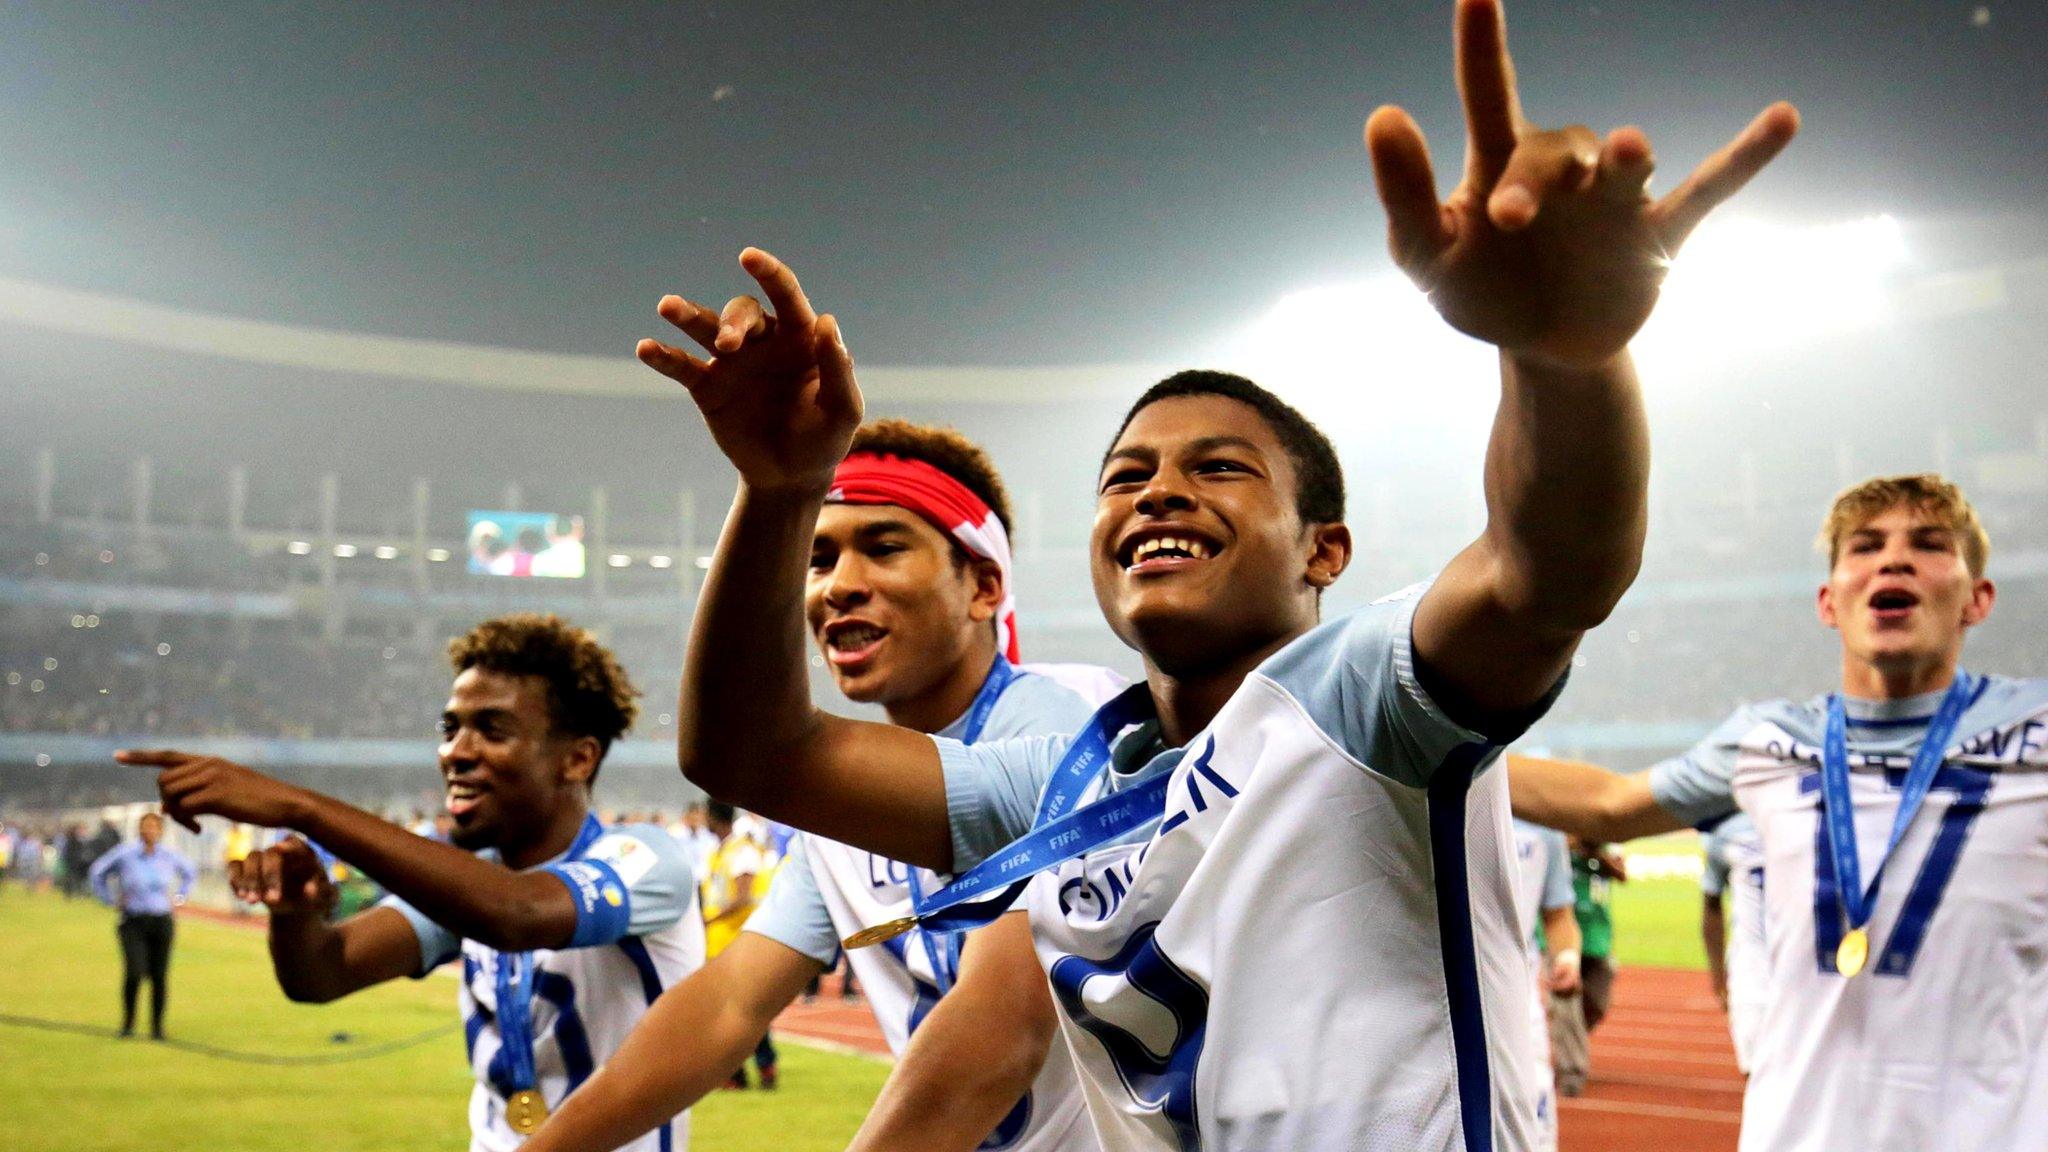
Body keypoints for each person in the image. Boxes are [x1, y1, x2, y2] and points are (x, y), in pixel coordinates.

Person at [634, 2, 1796, 1145]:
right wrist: (780, 492)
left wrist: (1562, 358)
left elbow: (1549, 567)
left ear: (1321, 552)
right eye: (1123, 475)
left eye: (1219, 468)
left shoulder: (1370, 702)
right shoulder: (1068, 782)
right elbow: (751, 756)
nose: (1155, 493)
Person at [526, 419, 1105, 1152]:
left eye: (884, 547)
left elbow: (999, 1035)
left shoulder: (1063, 726)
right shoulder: (845, 805)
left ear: (985, 586)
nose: (840, 586)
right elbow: (730, 1003)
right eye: (819, 557)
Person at [1507, 473, 2048, 1150]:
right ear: (1829, 601)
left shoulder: (2038, 732)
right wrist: (1436, 746)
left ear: (1978, 597)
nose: (1894, 559)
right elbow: (1608, 804)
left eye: (1931, 544)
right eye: (1866, 546)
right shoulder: (1768, 742)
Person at [120, 614, 703, 1152]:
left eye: (491, 731)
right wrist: (295, 912)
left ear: (577, 760)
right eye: (450, 728)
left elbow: (519, 914)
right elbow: (322, 973)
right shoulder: (470, 886)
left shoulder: (646, 860)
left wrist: (300, 807)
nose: (456, 752)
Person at [86, 811, 195, 1039]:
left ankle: (157, 1028)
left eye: (155, 827)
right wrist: (109, 899)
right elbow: (97, 871)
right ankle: (128, 1024)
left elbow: (189, 873)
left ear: (161, 831)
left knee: (159, 976)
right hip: (133, 921)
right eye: (146, 827)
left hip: (161, 920)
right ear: (139, 829)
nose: (150, 831)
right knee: (135, 972)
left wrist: (180, 897)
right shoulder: (126, 854)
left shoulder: (168, 856)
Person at [697, 800, 778, 1090]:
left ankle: (763, 1067)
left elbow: (743, 897)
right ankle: (736, 1074)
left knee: (747, 1009)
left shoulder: (742, 851)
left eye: (705, 814)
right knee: (727, 1011)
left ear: (714, 817)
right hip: (720, 942)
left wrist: (708, 920)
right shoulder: (719, 852)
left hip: (741, 940)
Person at [1509, 819, 1580, 1150]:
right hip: (1436, 1003)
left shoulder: (1542, 823)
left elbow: (1558, 913)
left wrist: (1567, 957)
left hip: (1521, 1008)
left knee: (1534, 1133)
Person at [1545, 837, 1623, 1096]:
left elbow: (1621, 873)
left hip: (1598, 940)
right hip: (1566, 939)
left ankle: (1562, 1039)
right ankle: (1571, 1074)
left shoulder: (1606, 849)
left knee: (1597, 1004)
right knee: (1567, 1006)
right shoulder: (1559, 848)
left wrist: (1596, 853)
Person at [1698, 811, 1766, 1074]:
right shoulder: (1727, 831)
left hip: (1806, 969)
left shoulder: (1814, 816)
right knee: (1757, 1073)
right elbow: (1711, 904)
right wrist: (1718, 978)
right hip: (1752, 969)